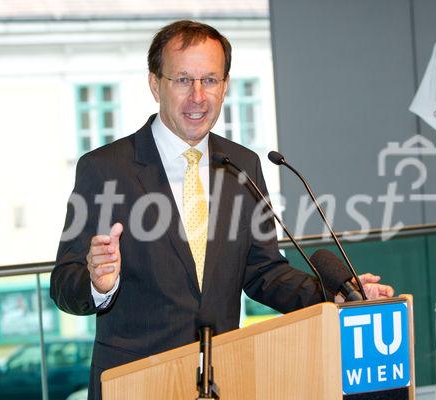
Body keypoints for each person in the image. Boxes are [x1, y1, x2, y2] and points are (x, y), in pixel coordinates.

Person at [50, 20, 394, 400]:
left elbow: (264, 271)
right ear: (155, 85)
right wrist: (99, 284)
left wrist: (336, 297)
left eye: (210, 80)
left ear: (225, 85)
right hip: (136, 383)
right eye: (183, 80)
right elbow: (64, 283)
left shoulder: (242, 165)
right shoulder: (105, 168)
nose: (198, 96)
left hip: (223, 378)